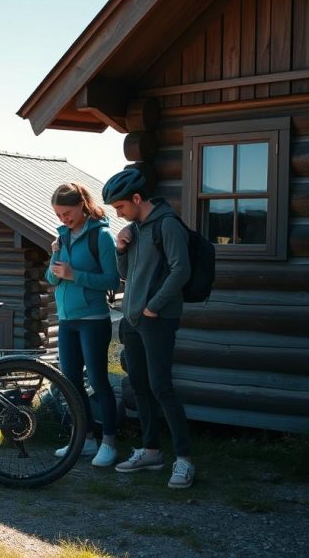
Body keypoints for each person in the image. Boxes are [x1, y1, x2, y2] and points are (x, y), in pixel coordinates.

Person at [101, 169, 195, 489]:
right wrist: (121, 248)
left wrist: (154, 306)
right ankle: (151, 450)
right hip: (133, 321)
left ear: (137, 199)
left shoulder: (167, 225)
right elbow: (126, 275)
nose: (119, 213)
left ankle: (184, 460)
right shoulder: (137, 229)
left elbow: (182, 269)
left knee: (161, 388)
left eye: (121, 207)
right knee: (139, 386)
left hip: (157, 320)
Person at [45, 182, 121, 467]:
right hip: (67, 320)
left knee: (99, 380)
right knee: (71, 382)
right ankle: (85, 440)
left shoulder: (100, 237)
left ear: (82, 206)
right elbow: (51, 278)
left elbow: (112, 281)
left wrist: (74, 274)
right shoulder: (61, 237)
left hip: (93, 320)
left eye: (67, 213)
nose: (63, 219)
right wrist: (55, 253)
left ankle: (109, 443)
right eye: (58, 215)